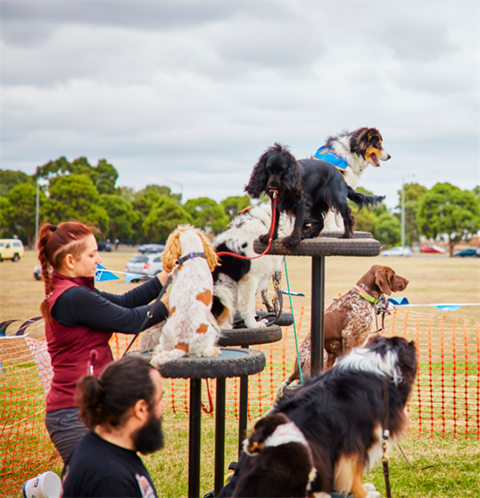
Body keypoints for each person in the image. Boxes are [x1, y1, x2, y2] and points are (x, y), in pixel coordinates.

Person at [37, 221, 169, 463]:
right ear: (70, 261)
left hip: (86, 406)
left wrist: (166, 275)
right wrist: (172, 302)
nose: (98, 259)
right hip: (73, 412)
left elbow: (126, 301)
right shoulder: (74, 296)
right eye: (91, 253)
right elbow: (130, 321)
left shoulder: (76, 291)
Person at [62, 355, 164, 498]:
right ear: (141, 409)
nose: (161, 409)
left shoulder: (96, 446)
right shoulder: (111, 481)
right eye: (159, 401)